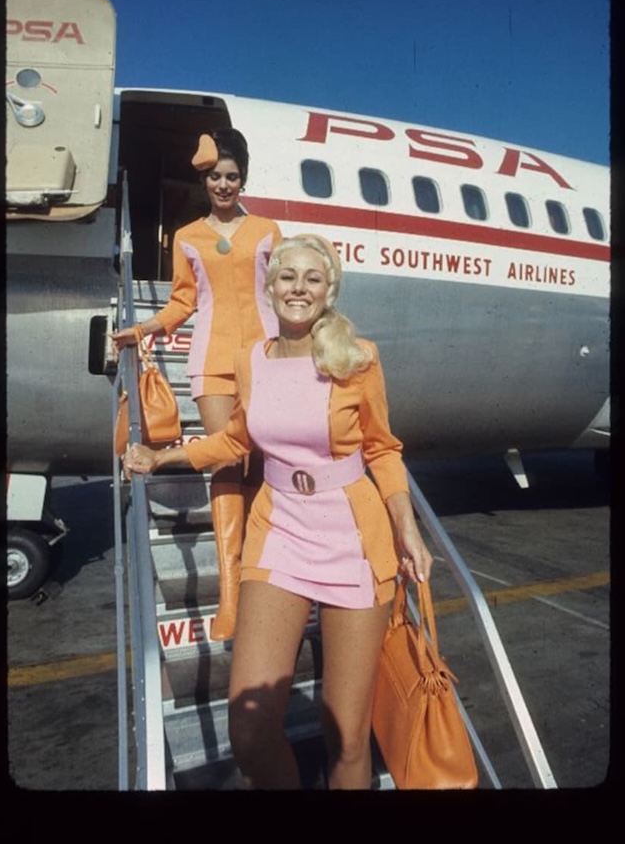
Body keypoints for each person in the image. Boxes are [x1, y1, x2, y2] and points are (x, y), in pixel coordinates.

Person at [124, 233, 434, 790]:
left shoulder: (357, 358)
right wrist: (163, 454)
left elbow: (383, 449)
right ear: (271, 286)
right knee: (249, 730)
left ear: (329, 289)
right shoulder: (253, 360)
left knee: (346, 733)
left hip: (353, 540)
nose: (299, 288)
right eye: (288, 275)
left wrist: (406, 526)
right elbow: (237, 439)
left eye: (312, 278)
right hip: (279, 532)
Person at [112, 129, 282, 640]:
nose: (224, 185)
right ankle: (232, 595)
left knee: (261, 465)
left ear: (243, 179)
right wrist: (142, 329)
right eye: (215, 177)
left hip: (265, 358)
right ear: (204, 179)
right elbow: (183, 302)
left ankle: (261, 582)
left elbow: (289, 293)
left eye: (231, 176)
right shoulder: (187, 236)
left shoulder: (269, 231)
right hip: (211, 361)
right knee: (226, 463)